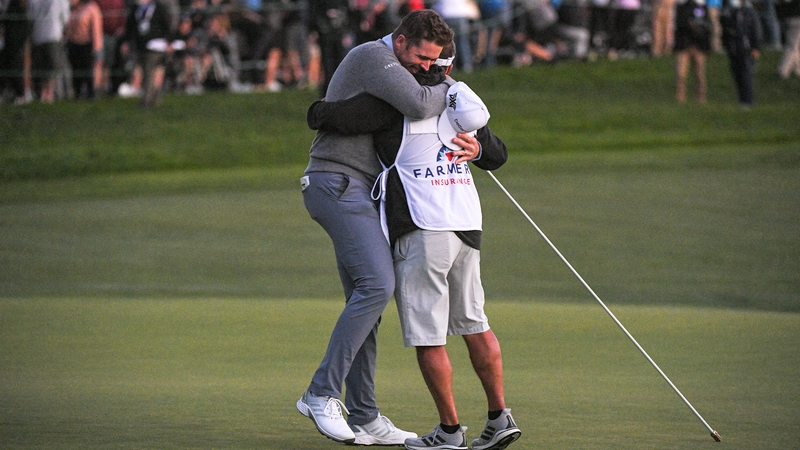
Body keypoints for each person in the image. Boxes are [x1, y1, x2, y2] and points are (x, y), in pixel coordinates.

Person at [306, 42, 520, 450]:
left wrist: (316, 109)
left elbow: (334, 118)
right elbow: (497, 153)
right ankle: (499, 417)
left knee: (429, 337)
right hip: (467, 226)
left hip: (423, 226)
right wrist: (477, 148)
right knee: (475, 324)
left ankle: (450, 432)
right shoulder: (462, 104)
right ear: (451, 66)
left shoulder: (397, 104)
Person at [296, 9, 455, 446]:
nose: (426, 67)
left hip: (359, 190)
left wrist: (433, 76)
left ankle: (364, 415)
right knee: (377, 286)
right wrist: (449, 84)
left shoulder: (402, 66)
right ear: (401, 41)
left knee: (364, 299)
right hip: (336, 182)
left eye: (434, 60)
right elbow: (422, 103)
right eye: (423, 57)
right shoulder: (374, 56)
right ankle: (320, 393)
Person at [720, 0, 763, 107]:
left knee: (746, 74)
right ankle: (742, 100)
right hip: (733, 47)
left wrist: (756, 47)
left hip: (745, 47)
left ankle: (748, 100)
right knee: (737, 74)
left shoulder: (749, 12)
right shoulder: (728, 11)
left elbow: (755, 29)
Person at [27, 0, 70, 103]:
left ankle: (45, 93)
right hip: (53, 34)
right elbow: (65, 16)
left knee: (43, 66)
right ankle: (48, 93)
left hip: (39, 34)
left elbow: (30, 15)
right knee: (52, 65)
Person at [674, 0, 713, 102]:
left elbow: (707, 25)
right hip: (685, 45)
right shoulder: (682, 7)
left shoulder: (702, 7)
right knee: (680, 74)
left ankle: (700, 98)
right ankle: (680, 98)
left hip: (699, 45)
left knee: (699, 75)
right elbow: (679, 24)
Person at [65, 0, 103, 99]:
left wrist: (96, 48)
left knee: (87, 70)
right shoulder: (73, 9)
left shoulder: (91, 8)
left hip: (86, 45)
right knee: (76, 70)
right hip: (73, 44)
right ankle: (77, 93)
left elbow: (96, 29)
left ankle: (91, 93)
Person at [776, 0, 800, 78]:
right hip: (795, 17)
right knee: (792, 46)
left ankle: (796, 69)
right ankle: (783, 70)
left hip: (788, 17)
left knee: (794, 45)